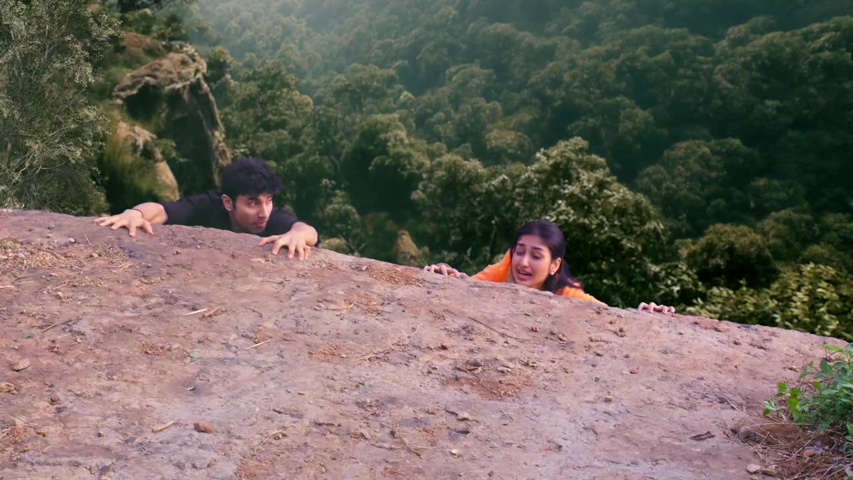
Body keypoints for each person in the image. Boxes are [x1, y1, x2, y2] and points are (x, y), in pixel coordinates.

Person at [424, 220, 675, 313]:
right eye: (519, 252)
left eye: (536, 256)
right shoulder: (505, 269)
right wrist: (444, 271)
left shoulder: (567, 295)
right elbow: (467, 285)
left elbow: (609, 316)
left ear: (555, 265)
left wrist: (645, 313)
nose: (523, 262)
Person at [95, 157, 318, 260]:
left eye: (268, 200)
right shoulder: (208, 206)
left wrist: (298, 235)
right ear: (228, 202)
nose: (264, 212)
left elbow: (306, 231)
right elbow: (162, 210)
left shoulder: (271, 220)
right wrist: (135, 213)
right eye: (252, 203)